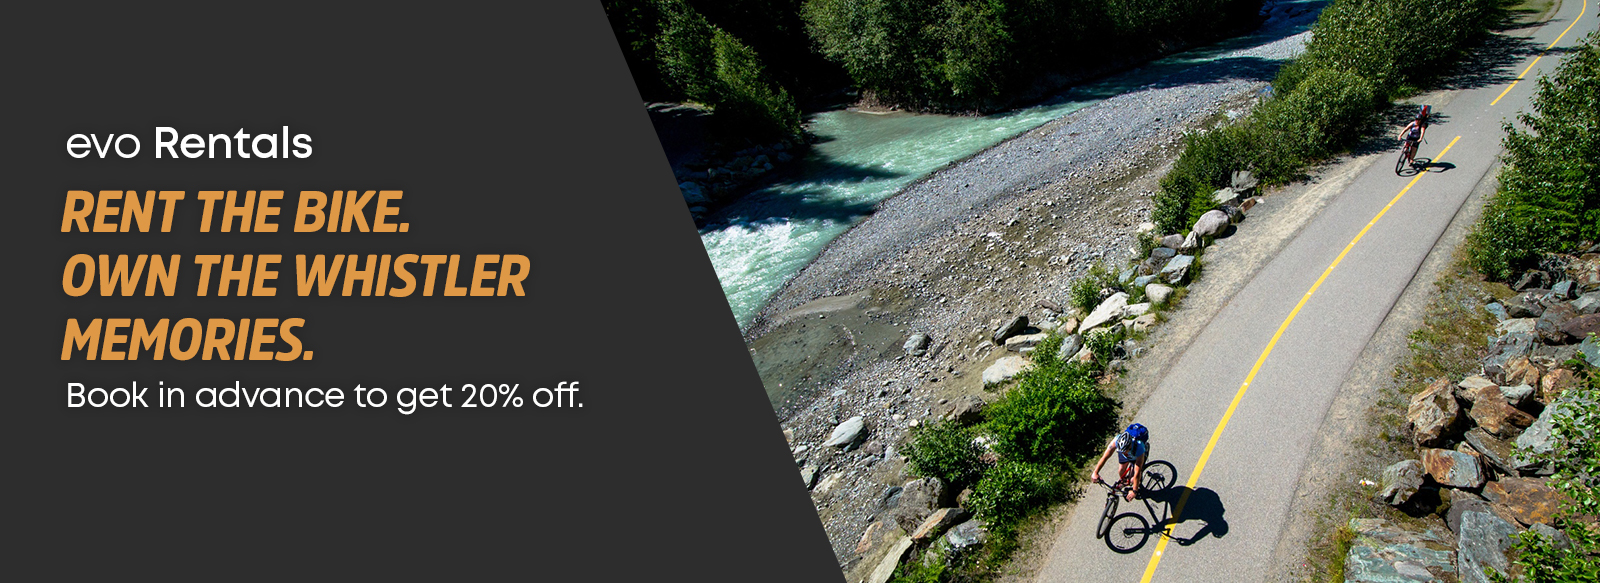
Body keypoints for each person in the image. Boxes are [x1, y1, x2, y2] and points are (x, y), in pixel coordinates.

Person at [1092, 423, 1149, 502]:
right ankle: (1124, 482)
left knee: (1133, 479)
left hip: (1136, 456)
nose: (1124, 453)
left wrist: (1134, 491)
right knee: (1121, 470)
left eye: (1125, 451)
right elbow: (1104, 457)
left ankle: (1136, 484)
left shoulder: (1139, 447)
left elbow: (1137, 472)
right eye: (1122, 451)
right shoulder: (1117, 440)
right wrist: (1095, 472)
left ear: (1130, 446)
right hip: (1127, 453)